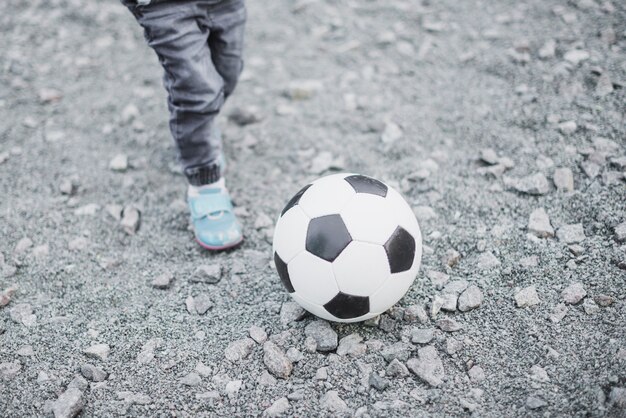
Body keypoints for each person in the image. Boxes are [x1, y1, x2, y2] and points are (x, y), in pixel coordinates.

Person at [121, 0, 246, 250]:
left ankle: (200, 131)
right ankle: (205, 182)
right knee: (196, 90)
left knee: (226, 72)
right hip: (164, 7)